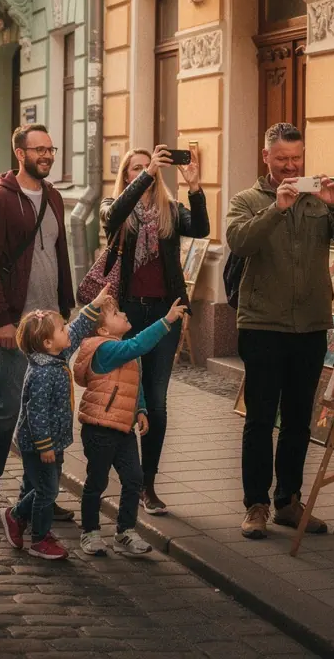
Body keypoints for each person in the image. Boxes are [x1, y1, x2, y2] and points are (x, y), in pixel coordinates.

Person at [225, 122, 334, 540]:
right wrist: (276, 209)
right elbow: (240, 242)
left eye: (297, 158)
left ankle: (288, 500)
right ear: (265, 156)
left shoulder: (317, 201)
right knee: (260, 418)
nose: (291, 166)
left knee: (298, 421)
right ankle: (256, 505)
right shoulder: (246, 200)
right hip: (262, 325)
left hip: (310, 324)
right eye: (283, 158)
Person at [0, 124, 75, 523]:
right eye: (39, 150)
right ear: (20, 153)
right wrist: (0, 319)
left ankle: (38, 497)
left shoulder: (54, 197)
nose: (47, 156)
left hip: (50, 319)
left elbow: (59, 252)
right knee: (11, 404)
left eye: (51, 149)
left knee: (51, 407)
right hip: (15, 321)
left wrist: (66, 306)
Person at [100, 145, 207, 515]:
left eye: (148, 168)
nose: (143, 173)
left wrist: (194, 187)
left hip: (164, 315)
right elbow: (112, 217)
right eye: (135, 169)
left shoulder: (171, 211)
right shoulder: (114, 206)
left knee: (156, 400)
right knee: (124, 395)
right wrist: (145, 177)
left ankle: (148, 483)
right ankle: (123, 473)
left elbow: (204, 228)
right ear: (126, 175)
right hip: (126, 315)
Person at [75, 291, 188, 557]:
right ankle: (90, 531)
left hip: (123, 429)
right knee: (97, 482)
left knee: (134, 479)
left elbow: (132, 384)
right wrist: (166, 321)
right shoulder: (105, 348)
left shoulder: (123, 349)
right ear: (103, 329)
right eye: (117, 314)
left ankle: (125, 531)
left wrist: (140, 409)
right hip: (99, 428)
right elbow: (137, 346)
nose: (124, 314)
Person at [1, 297, 103, 560]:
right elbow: (36, 415)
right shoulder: (42, 373)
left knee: (44, 485)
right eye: (61, 329)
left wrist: (96, 304)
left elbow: (78, 329)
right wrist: (44, 446)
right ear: (48, 343)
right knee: (47, 490)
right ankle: (38, 538)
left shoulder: (57, 356)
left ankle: (19, 517)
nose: (67, 329)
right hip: (39, 444)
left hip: (53, 441)